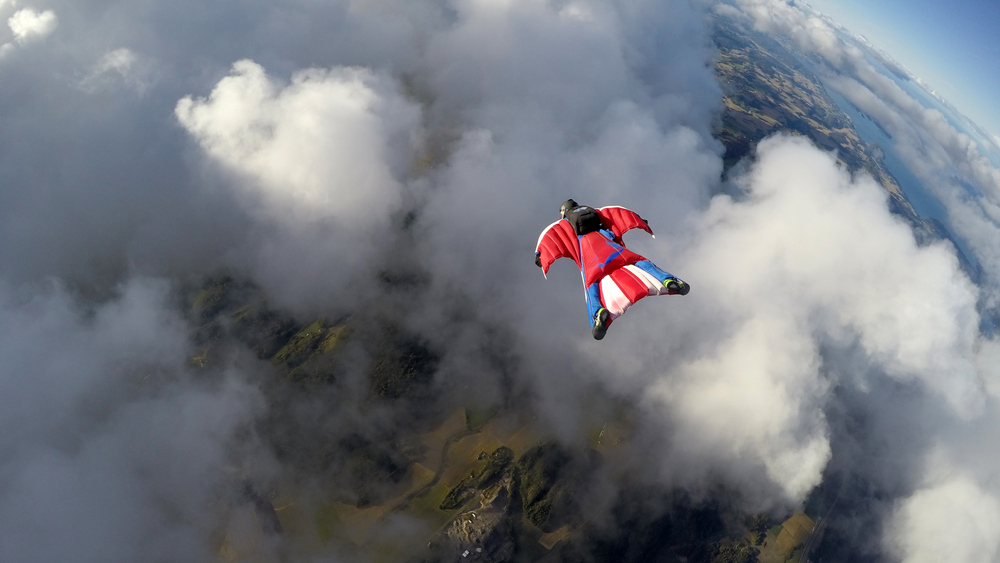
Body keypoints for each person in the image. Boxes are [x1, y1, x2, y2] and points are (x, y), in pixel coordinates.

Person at [535, 199, 689, 340]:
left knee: (591, 285)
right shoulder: (601, 212)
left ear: (564, 213)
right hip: (611, 248)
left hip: (591, 257)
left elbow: (547, 241)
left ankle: (598, 313)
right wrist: (640, 221)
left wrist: (540, 257)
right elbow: (622, 213)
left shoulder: (561, 226)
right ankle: (668, 280)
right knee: (640, 261)